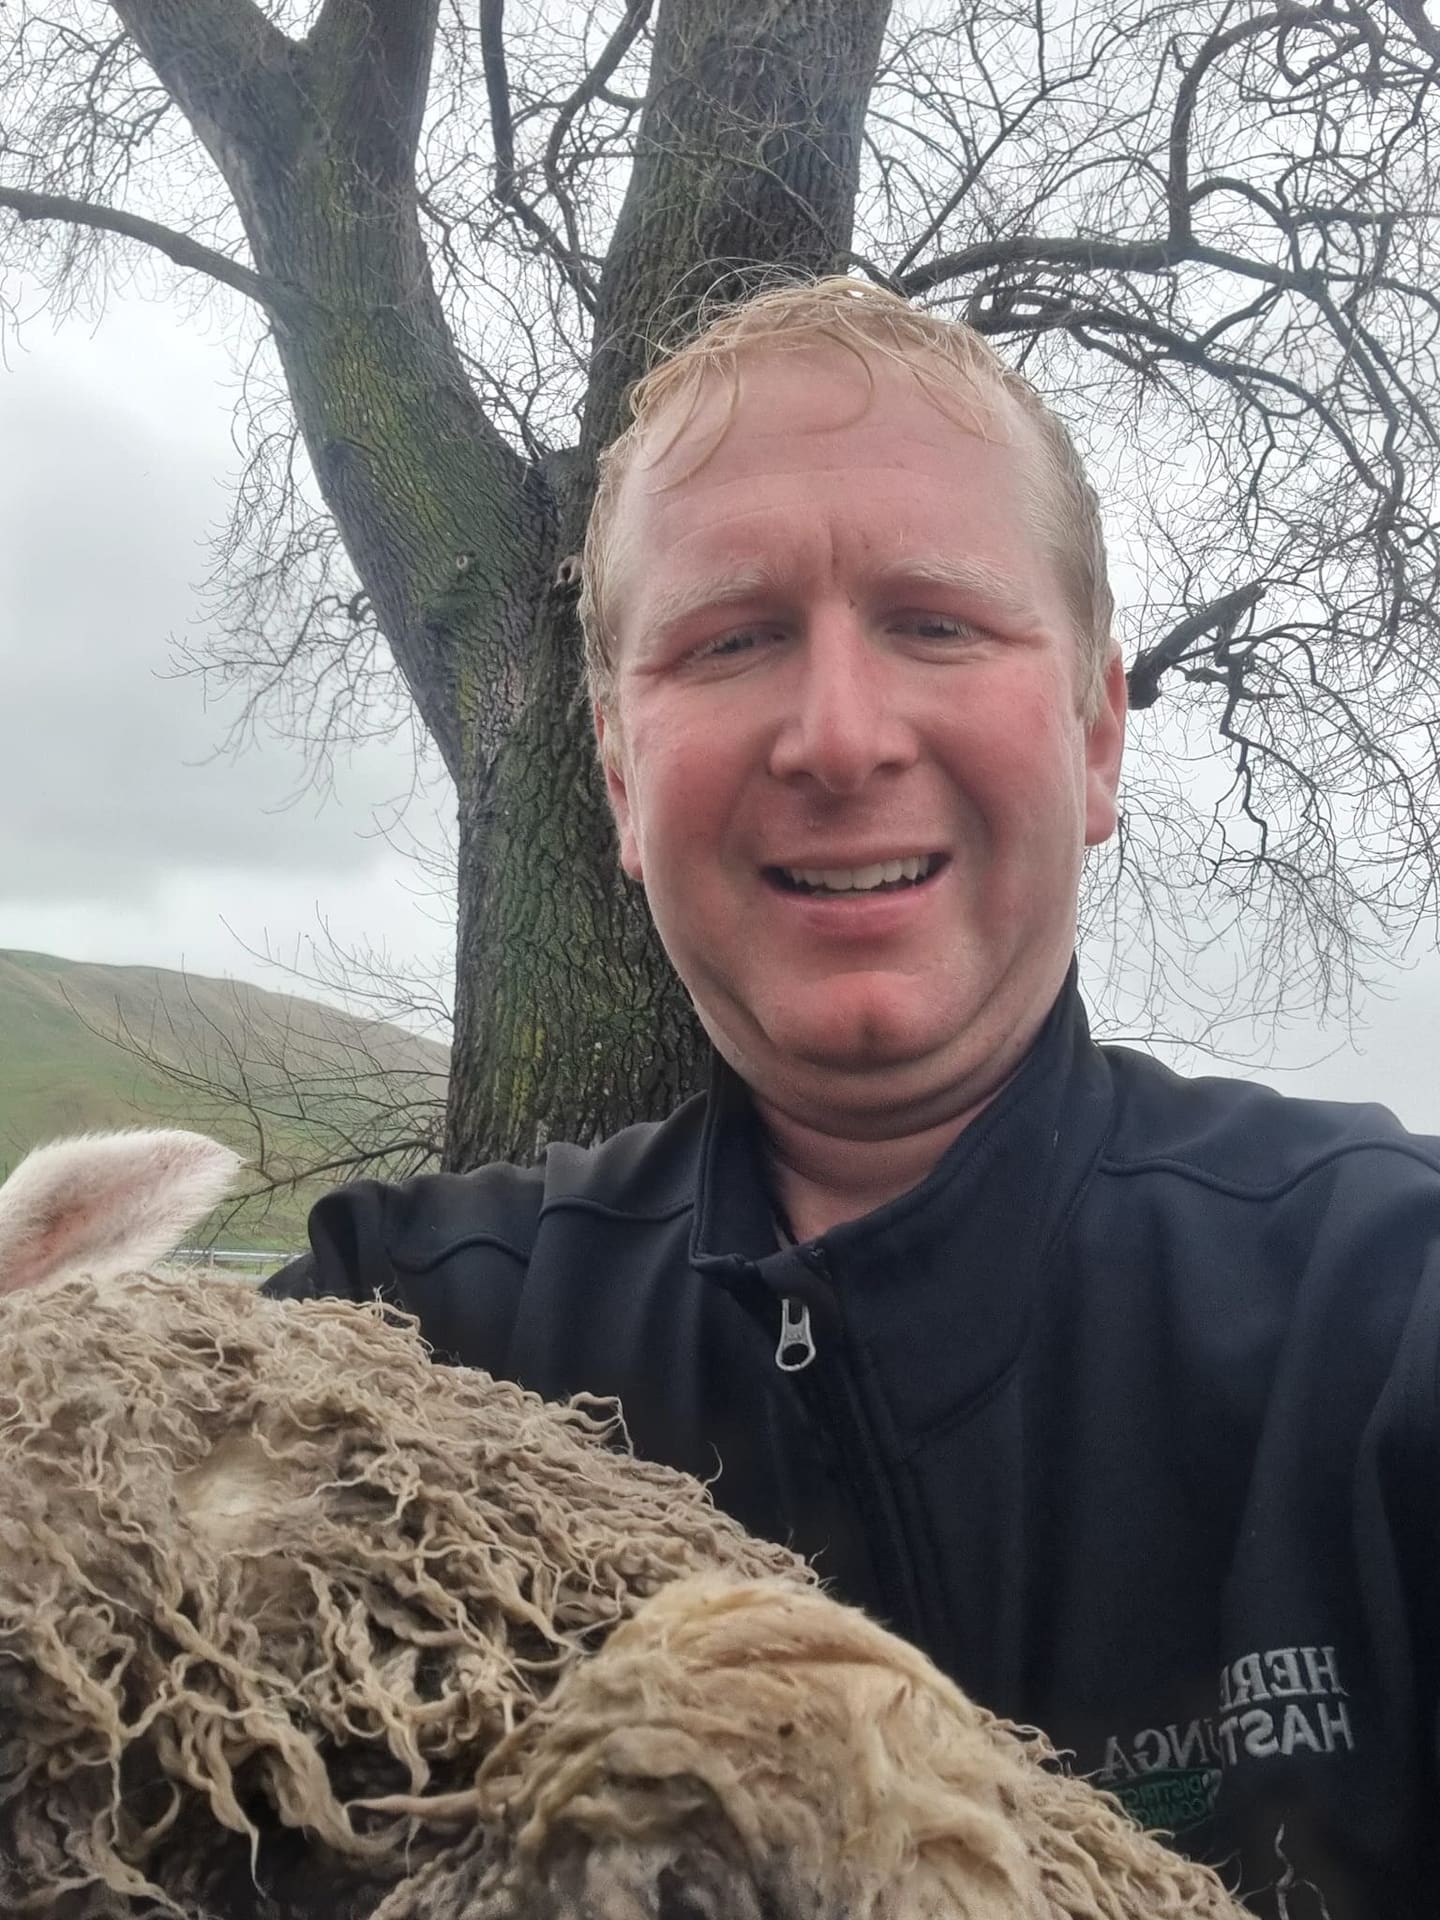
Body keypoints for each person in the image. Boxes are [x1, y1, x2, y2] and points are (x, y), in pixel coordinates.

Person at [266, 279, 1439, 1917]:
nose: (837, 736)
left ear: (1096, 734)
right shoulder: (387, 1344)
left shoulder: (1388, 1311)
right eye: (732, 640)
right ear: (619, 776)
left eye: (937, 621)